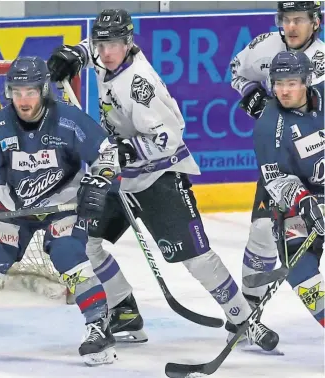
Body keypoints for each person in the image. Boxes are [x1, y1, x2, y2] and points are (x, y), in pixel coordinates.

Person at [46, 8, 280, 350]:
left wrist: (123, 150)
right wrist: (75, 54)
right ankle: (123, 310)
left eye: (113, 44)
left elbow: (169, 136)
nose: (106, 51)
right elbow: (90, 49)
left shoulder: (141, 84)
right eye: (101, 43)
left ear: (129, 43)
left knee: (196, 258)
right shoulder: (103, 55)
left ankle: (244, 318)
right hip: (119, 179)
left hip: (159, 177)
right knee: (81, 242)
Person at [0, 56, 122, 366]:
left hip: (61, 204)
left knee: (69, 256)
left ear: (44, 90)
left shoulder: (68, 119)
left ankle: (97, 327)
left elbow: (107, 155)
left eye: (30, 92)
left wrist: (98, 185)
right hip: (15, 209)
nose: (23, 100)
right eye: (17, 92)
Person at [230, 1, 324, 310]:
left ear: (315, 22)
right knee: (266, 235)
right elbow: (236, 71)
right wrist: (251, 95)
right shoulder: (263, 47)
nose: (292, 27)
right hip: (287, 161)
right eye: (286, 19)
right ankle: (248, 310)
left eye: (299, 19)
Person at [254, 51, 324, 327]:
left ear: (307, 81)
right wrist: (305, 202)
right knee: (298, 264)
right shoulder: (268, 127)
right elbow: (276, 179)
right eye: (278, 83)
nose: (283, 90)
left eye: (292, 82)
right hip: (298, 204)